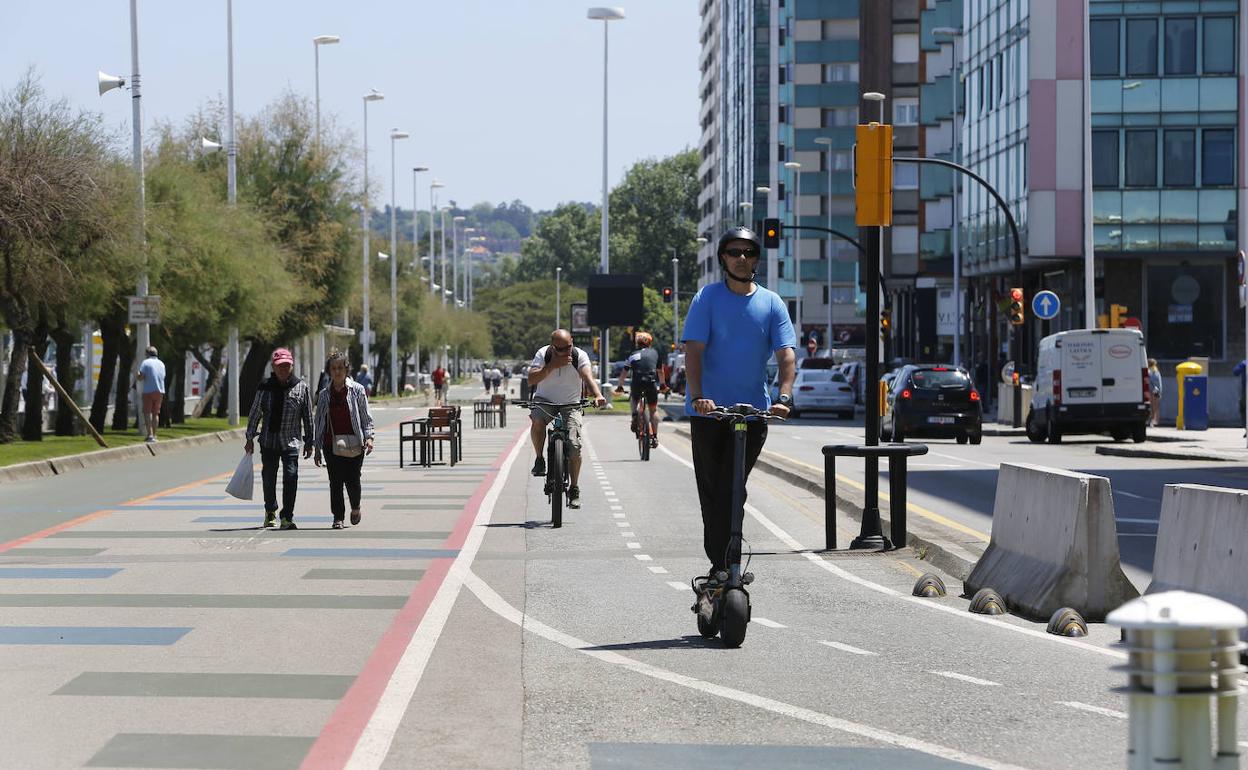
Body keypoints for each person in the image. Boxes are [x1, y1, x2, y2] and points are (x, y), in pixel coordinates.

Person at [683, 227, 795, 584]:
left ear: (756, 260)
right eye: (734, 252)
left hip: (752, 413)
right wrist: (699, 395)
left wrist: (784, 397)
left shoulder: (772, 302)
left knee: (735, 488)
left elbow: (786, 355)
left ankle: (729, 565)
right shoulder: (706, 298)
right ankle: (719, 565)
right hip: (709, 413)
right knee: (712, 488)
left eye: (748, 252)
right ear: (723, 258)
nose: (741, 258)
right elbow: (693, 352)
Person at [527, 329, 607, 509]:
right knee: (537, 421)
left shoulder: (580, 355)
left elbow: (587, 376)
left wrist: (598, 395)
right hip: (545, 401)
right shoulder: (543, 353)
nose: (566, 352)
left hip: (571, 404)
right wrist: (552, 366)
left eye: (568, 347)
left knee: (574, 445)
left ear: (572, 342)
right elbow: (531, 379)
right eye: (560, 349)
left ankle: (574, 488)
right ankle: (540, 460)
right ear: (552, 346)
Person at [245, 347, 314, 530]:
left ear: (291, 366)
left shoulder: (301, 387)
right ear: (274, 368)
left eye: (286, 366)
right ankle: (270, 511)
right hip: (269, 441)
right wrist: (250, 437)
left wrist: (309, 440)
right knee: (269, 477)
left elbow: (307, 415)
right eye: (279, 366)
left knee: (291, 476)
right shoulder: (265, 387)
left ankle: (287, 516)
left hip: (290, 441)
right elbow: (255, 413)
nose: (283, 369)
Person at [313, 351, 375, 529]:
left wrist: (369, 437)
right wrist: (317, 449)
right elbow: (319, 422)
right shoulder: (324, 394)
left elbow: (366, 417)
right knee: (335, 481)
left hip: (355, 442)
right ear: (329, 371)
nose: (337, 371)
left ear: (346, 369)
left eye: (340, 367)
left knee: (353, 479)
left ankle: (355, 506)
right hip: (330, 444)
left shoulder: (357, 390)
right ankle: (337, 517)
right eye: (333, 368)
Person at [617, 331, 664, 447]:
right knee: (653, 410)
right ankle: (655, 436)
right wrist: (663, 384)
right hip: (651, 382)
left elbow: (624, 372)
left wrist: (620, 386)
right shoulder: (655, 353)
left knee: (634, 398)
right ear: (650, 343)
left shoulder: (633, 355)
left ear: (637, 344)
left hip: (637, 383)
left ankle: (634, 415)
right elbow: (660, 371)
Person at [136, 346, 166, 443]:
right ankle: (155, 435)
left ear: (147, 354)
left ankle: (149, 435)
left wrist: (137, 374)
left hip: (148, 390)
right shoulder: (161, 364)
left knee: (147, 412)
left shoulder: (146, 363)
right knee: (155, 413)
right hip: (160, 390)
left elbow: (141, 377)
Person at [1148, 358, 1163, 427]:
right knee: (1156, 406)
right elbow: (1158, 383)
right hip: (1156, 390)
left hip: (1153, 391)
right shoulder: (1156, 371)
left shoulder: (1151, 371)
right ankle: (1155, 420)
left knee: (1152, 406)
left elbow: (1152, 382)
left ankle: (1153, 420)